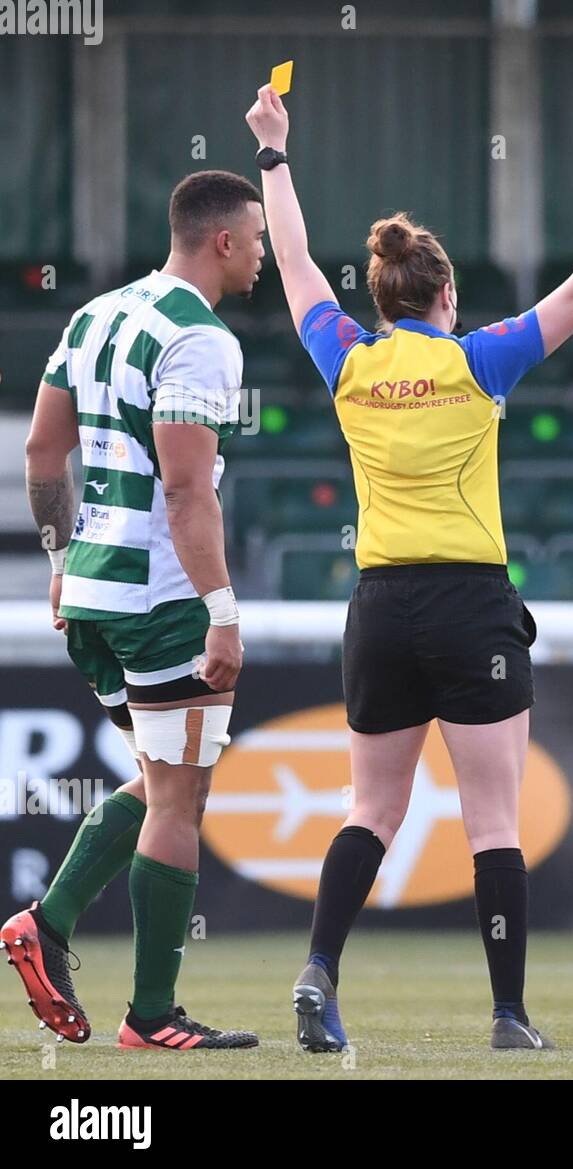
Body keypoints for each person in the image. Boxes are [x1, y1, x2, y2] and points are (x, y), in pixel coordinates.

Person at [242, 83, 573, 1051]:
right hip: (468, 603)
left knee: (369, 807)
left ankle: (319, 967)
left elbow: (289, 261)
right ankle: (507, 1015)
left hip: (376, 604)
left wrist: (275, 153)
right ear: (446, 296)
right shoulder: (478, 360)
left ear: (378, 296)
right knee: (495, 819)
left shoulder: (347, 359)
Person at [2, 170, 265, 1050]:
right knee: (181, 797)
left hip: (89, 592)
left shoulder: (95, 316)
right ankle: (149, 1015)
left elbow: (43, 452)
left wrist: (55, 556)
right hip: (161, 597)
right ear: (222, 240)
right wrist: (222, 611)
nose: (263, 254)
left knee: (164, 782)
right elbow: (189, 494)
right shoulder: (201, 338)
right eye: (257, 238)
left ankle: (48, 921)